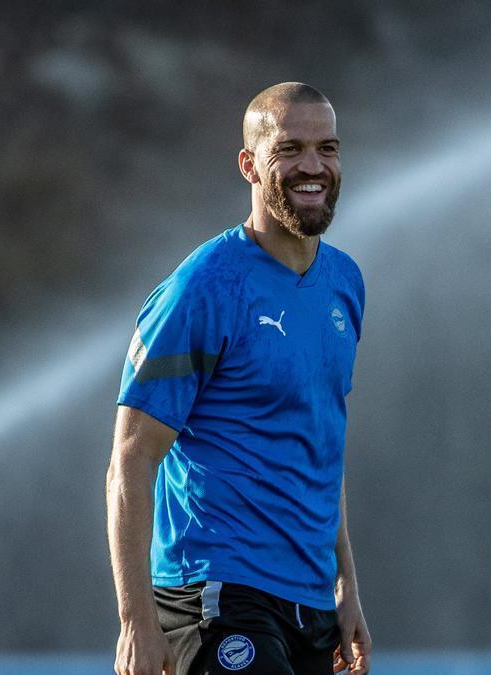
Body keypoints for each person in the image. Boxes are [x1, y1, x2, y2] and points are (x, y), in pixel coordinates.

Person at [107, 82, 371, 675]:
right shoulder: (203, 287)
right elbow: (132, 456)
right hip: (216, 592)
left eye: (327, 148)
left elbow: (321, 444)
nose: (313, 166)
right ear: (249, 165)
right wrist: (136, 623)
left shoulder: (345, 284)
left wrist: (345, 586)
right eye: (290, 149)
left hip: (308, 601)